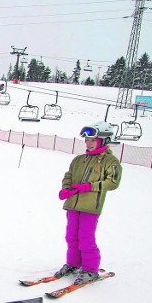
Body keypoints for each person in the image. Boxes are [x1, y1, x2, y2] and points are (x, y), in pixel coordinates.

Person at [55, 121, 122, 285]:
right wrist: (66, 188)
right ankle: (73, 264)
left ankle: (90, 270)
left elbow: (112, 182)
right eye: (87, 140)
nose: (89, 143)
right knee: (71, 236)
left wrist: (89, 187)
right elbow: (69, 175)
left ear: (104, 140)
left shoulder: (110, 161)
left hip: (91, 207)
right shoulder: (79, 159)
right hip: (73, 204)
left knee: (85, 238)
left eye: (93, 140)